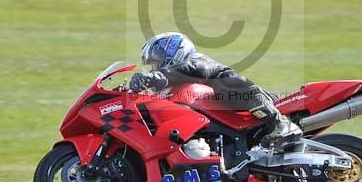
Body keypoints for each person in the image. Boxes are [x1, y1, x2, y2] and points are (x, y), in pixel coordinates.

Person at [129, 32, 302, 147]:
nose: (154, 69)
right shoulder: (176, 86)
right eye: (152, 66)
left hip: (262, 101)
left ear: (174, 54)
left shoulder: (196, 61)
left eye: (156, 63)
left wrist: (158, 77)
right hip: (232, 121)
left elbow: (188, 68)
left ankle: (281, 123)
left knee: (225, 83)